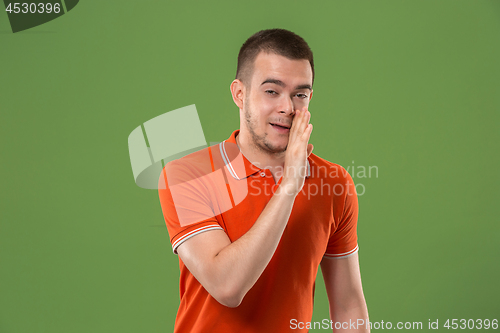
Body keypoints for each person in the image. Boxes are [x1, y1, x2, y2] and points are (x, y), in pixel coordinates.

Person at [158, 28, 369, 332]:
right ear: (239, 94)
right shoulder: (187, 176)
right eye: (272, 91)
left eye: (300, 94)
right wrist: (289, 186)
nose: (287, 107)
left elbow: (348, 304)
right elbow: (227, 286)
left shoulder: (334, 183)